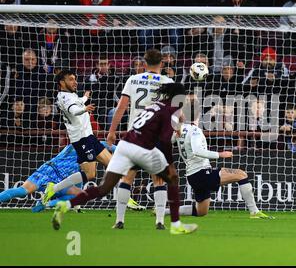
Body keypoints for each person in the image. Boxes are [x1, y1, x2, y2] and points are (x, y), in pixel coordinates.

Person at [52, 83, 198, 235]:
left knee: (104, 188)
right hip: (142, 149)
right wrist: (169, 163)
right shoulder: (170, 110)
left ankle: (66, 205)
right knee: (172, 179)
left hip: (125, 145)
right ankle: (175, 224)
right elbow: (166, 141)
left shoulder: (155, 106)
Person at [174, 95, 273, 219]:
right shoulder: (195, 131)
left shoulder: (180, 129)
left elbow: (172, 139)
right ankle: (254, 212)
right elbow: (197, 151)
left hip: (192, 175)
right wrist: (220, 154)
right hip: (201, 173)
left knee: (201, 211)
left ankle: (165, 211)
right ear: (197, 114)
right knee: (241, 174)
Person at [107, 49, 174, 230]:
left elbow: (121, 107)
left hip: (134, 135)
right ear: (162, 64)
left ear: (144, 64)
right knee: (159, 179)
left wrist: (112, 131)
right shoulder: (168, 82)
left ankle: (119, 221)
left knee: (127, 178)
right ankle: (159, 221)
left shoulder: (133, 80)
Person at [42, 71, 112, 204]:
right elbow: (74, 110)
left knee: (113, 164)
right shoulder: (63, 97)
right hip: (81, 139)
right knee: (90, 175)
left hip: (89, 136)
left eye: (75, 79)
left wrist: (85, 97)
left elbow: (77, 102)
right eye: (71, 79)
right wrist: (85, 109)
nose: (75, 82)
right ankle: (54, 188)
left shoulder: (71, 95)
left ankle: (126, 200)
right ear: (62, 83)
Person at [0, 141, 114, 210]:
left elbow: (78, 181)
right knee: (23, 191)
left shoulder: (85, 154)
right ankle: (45, 202)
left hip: (59, 178)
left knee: (80, 195)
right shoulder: (86, 144)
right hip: (51, 170)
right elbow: (110, 146)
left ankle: (46, 203)